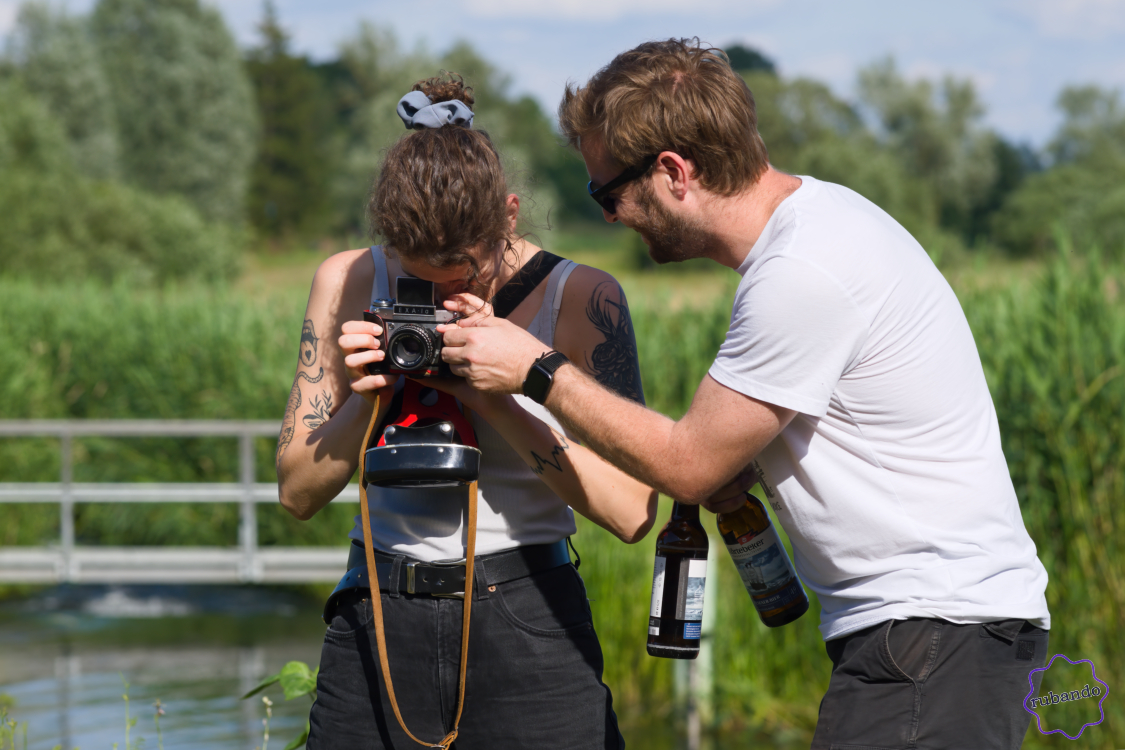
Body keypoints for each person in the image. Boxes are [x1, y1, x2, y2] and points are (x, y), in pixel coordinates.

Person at [437, 40, 1051, 749]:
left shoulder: (800, 270)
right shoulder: (823, 223)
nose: (609, 216)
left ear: (672, 172)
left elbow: (686, 465)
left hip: (931, 636)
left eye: (606, 192)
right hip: (938, 639)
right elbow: (733, 458)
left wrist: (535, 370)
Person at [275, 73, 656, 750]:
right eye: (416, 276)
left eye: (464, 273)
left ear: (508, 216)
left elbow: (630, 513)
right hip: (379, 611)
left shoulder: (580, 297)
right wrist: (367, 399)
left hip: (526, 610)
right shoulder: (348, 278)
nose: (438, 294)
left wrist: (497, 392)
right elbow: (296, 493)